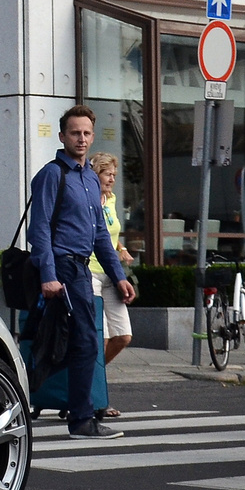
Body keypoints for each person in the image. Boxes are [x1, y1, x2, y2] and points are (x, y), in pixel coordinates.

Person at [29, 106, 136, 439]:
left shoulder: (90, 178)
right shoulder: (51, 175)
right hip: (62, 266)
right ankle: (81, 419)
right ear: (62, 136)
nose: (81, 138)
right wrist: (48, 274)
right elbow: (40, 229)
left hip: (80, 266)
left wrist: (119, 276)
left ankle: (72, 411)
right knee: (85, 341)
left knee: (76, 342)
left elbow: (101, 235)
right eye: (75, 132)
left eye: (87, 133)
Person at [90, 151, 134, 384]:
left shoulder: (112, 199)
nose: (112, 179)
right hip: (89, 271)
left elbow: (108, 230)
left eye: (114, 175)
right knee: (101, 338)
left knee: (123, 336)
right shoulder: (86, 199)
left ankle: (90, 380)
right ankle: (94, 392)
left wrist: (121, 247)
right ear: (96, 174)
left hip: (112, 272)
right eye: (107, 174)